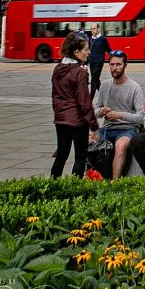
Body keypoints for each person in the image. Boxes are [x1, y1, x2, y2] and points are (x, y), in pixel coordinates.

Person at [50, 31, 98, 179]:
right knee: (80, 157)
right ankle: (74, 188)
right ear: (76, 52)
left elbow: (54, 97)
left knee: (62, 155)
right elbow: (84, 102)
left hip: (61, 120)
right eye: (85, 50)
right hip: (77, 121)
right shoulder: (79, 72)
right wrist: (94, 125)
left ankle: (52, 185)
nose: (88, 52)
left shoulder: (58, 69)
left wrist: (58, 114)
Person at [91, 50, 144, 179]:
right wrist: (101, 111)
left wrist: (119, 115)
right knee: (89, 141)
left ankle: (114, 182)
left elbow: (142, 117)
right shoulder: (104, 85)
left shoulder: (134, 87)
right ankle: (93, 178)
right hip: (107, 128)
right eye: (112, 64)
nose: (114, 68)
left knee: (120, 146)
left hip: (128, 129)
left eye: (118, 64)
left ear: (125, 66)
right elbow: (95, 112)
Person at [88, 22, 111, 98]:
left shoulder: (103, 39)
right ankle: (104, 97)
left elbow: (109, 50)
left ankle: (89, 100)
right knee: (96, 80)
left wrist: (114, 56)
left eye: (94, 29)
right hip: (91, 62)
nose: (92, 30)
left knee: (94, 80)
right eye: (91, 29)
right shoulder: (90, 39)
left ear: (98, 29)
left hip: (99, 62)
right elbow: (87, 51)